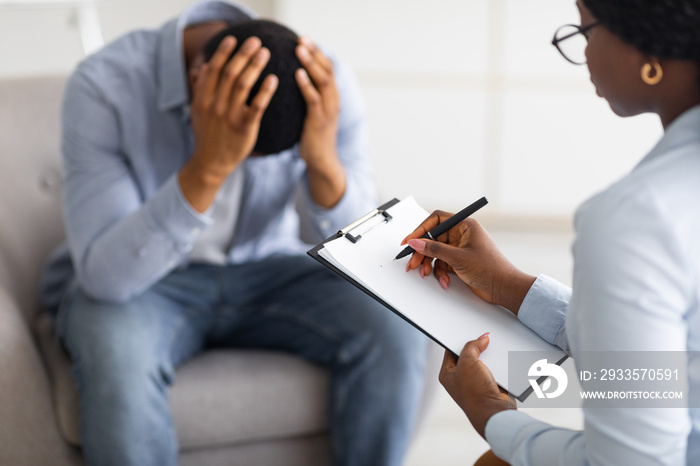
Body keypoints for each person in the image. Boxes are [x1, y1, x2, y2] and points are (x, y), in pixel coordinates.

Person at [40, 1, 427, 465]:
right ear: (196, 79)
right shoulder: (104, 86)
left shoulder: (321, 81)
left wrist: (323, 163)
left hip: (273, 271)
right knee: (111, 341)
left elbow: (363, 254)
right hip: (149, 285)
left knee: (393, 321)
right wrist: (208, 165)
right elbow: (106, 277)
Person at [403, 0, 700, 464]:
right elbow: (667, 371)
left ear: (648, 47)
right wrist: (508, 285)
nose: (583, 53)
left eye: (586, 30)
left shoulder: (638, 217)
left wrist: (492, 415)